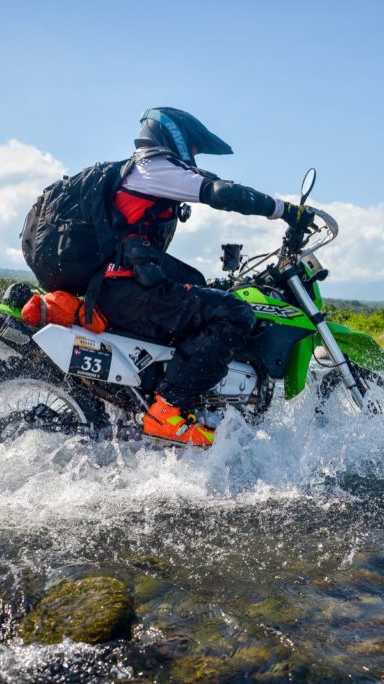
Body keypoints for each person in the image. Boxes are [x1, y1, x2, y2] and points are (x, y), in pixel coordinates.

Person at [92, 108, 314, 446]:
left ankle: (179, 403)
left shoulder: (146, 173)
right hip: (125, 291)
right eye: (193, 147)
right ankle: (168, 410)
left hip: (123, 288)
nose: (194, 154)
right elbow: (221, 192)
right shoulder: (153, 168)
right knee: (236, 314)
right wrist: (285, 211)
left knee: (201, 290)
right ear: (173, 135)